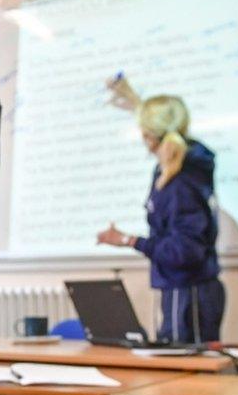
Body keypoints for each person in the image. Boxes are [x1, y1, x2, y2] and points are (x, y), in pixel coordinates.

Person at [97, 76, 226, 344]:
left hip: (189, 292)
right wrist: (132, 99)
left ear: (148, 135)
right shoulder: (181, 168)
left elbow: (184, 251)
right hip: (181, 289)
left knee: (186, 375)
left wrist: (129, 240)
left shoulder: (180, 182)